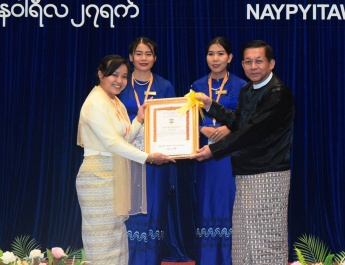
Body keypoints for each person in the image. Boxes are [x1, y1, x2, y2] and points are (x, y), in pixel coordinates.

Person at [193, 40, 295, 265]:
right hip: (245, 172)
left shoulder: (277, 93)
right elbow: (238, 122)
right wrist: (212, 106)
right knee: (243, 236)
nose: (253, 66)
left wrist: (213, 150)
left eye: (259, 61)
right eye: (248, 62)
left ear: (272, 63)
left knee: (265, 238)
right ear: (241, 64)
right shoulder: (248, 89)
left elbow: (252, 132)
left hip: (268, 175)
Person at [76, 55, 175, 265]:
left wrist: (138, 119)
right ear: (100, 74)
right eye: (114, 75)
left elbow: (125, 138)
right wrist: (148, 157)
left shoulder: (115, 101)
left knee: (117, 239)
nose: (119, 81)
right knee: (101, 241)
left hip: (114, 174)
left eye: (123, 76)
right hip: (97, 177)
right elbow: (112, 143)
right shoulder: (95, 102)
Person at [118, 37, 176, 265]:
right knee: (128, 213)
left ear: (155, 58)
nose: (144, 58)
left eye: (149, 54)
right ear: (130, 56)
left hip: (156, 160)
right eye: (139, 53)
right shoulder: (120, 84)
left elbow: (174, 121)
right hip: (126, 157)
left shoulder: (165, 86)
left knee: (153, 213)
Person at [191, 37, 246, 265]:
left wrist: (227, 129)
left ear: (230, 58)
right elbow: (186, 120)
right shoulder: (197, 86)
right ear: (206, 57)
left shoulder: (242, 85)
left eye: (221, 53)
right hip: (205, 153)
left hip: (230, 154)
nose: (215, 58)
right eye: (211, 53)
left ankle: (231, 258)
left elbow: (246, 120)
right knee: (207, 201)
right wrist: (202, 129)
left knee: (229, 200)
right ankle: (208, 259)